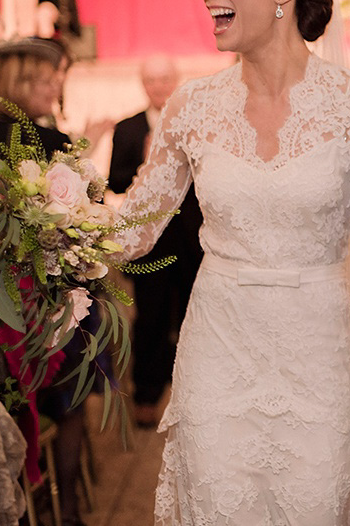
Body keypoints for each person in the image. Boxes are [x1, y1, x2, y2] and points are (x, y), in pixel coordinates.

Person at [115, 0, 350, 524]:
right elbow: (132, 231)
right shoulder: (190, 107)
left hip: (317, 356)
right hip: (217, 351)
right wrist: (42, 219)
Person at [0, 37, 91, 526]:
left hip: (5, 304)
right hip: (24, 307)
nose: (54, 86)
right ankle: (64, 510)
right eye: (45, 79)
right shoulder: (41, 140)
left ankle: (44, 497)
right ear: (18, 83)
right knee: (77, 370)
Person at [108, 55, 202, 428]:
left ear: (176, 79)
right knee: (149, 320)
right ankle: (146, 394)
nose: (159, 87)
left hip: (193, 241)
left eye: (165, 80)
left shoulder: (196, 124)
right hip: (151, 246)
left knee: (193, 318)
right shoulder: (128, 128)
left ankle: (191, 396)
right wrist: (146, 169)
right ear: (143, 84)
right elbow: (115, 183)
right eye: (152, 81)